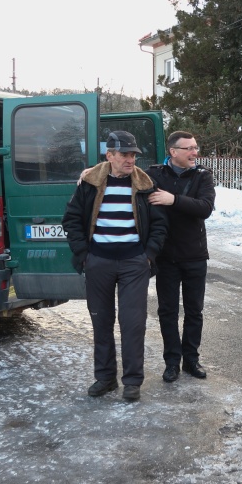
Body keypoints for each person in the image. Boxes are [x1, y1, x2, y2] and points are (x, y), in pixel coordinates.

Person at [62, 131, 168, 402]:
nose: (130, 159)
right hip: (98, 262)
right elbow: (71, 219)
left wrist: (148, 255)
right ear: (109, 155)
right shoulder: (90, 182)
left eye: (133, 154)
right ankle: (105, 377)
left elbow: (159, 224)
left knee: (133, 324)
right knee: (101, 321)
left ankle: (132, 381)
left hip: (134, 263)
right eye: (124, 154)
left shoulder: (146, 184)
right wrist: (84, 255)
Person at [146, 131, 216, 383]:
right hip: (165, 256)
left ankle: (191, 360)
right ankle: (172, 362)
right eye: (189, 148)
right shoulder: (154, 174)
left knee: (194, 311)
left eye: (196, 147)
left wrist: (172, 200)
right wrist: (89, 172)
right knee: (167, 311)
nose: (194, 153)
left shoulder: (203, 176)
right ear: (173, 151)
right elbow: (122, 173)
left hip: (194, 255)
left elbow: (205, 208)